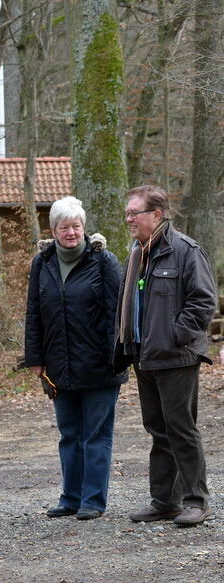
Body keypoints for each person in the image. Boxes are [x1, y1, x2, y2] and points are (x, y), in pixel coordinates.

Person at [115, 185, 217, 527]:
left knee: (181, 428)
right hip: (143, 355)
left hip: (175, 356)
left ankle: (196, 500)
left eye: (135, 213)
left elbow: (203, 301)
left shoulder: (185, 250)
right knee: (158, 429)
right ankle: (165, 502)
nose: (129, 219)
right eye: (128, 213)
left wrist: (175, 335)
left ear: (157, 214)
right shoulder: (136, 252)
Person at [24, 196, 125, 521]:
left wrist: (117, 356)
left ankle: (92, 500)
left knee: (96, 435)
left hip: (100, 365)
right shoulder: (43, 262)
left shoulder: (104, 261)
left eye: (76, 226)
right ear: (53, 230)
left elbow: (117, 313)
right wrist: (35, 358)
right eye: (64, 227)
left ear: (84, 227)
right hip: (59, 364)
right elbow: (34, 313)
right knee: (69, 434)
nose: (71, 232)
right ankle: (70, 498)